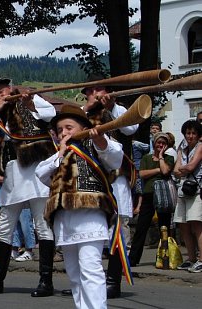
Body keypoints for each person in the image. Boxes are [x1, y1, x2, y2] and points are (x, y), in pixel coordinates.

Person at [36, 104, 124, 309]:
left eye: (69, 127)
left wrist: (100, 140)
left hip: (90, 216)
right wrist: (60, 153)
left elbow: (116, 159)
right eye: (59, 130)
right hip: (64, 219)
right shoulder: (60, 154)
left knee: (90, 269)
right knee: (74, 273)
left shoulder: (94, 144)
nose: (64, 133)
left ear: (83, 127)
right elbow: (41, 174)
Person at [0, 73, 57, 297]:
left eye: (4, 89)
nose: (3, 94)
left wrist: (30, 102)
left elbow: (51, 114)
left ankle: (46, 281)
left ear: (9, 87)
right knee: (5, 227)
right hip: (14, 172)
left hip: (38, 169)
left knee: (42, 225)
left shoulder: (28, 98)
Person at [81, 77, 138, 298]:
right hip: (91, 179)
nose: (96, 93)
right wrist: (87, 108)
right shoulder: (81, 112)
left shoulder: (117, 109)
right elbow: (65, 125)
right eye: (92, 90)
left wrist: (112, 106)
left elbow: (131, 128)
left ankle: (113, 282)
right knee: (89, 231)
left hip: (115, 178)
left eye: (100, 88)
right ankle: (90, 280)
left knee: (116, 231)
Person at [128, 132, 175, 267]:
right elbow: (142, 174)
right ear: (154, 143)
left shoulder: (168, 158)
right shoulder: (146, 158)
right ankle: (133, 258)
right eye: (159, 142)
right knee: (141, 227)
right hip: (149, 195)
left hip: (163, 196)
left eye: (163, 143)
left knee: (164, 227)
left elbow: (166, 171)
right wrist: (157, 169)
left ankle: (165, 259)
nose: (160, 145)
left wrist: (160, 158)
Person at [173, 120, 202, 272]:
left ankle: (201, 259)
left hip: (196, 190)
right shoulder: (181, 148)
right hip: (182, 189)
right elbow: (175, 170)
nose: (190, 136)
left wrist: (182, 169)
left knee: (197, 225)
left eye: (193, 133)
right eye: (188, 133)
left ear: (198, 135)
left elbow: (191, 166)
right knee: (183, 225)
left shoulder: (200, 147)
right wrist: (182, 169)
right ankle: (190, 258)